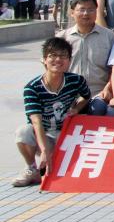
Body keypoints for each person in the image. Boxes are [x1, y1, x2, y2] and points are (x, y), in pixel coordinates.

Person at [13, 38, 91, 187]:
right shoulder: (32, 88)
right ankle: (32, 169)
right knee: (23, 131)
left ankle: (58, 163)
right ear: (44, 59)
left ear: (69, 60)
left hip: (67, 136)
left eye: (63, 56)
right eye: (52, 55)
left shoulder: (76, 81)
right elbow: (36, 122)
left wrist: (76, 109)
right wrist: (43, 150)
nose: (58, 60)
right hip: (44, 137)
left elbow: (86, 97)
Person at [55, 0, 114, 110]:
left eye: (90, 10)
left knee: (98, 109)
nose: (86, 13)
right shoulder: (62, 38)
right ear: (72, 13)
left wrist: (108, 89)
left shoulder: (110, 37)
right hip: (69, 94)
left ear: (97, 12)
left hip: (98, 94)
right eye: (81, 10)